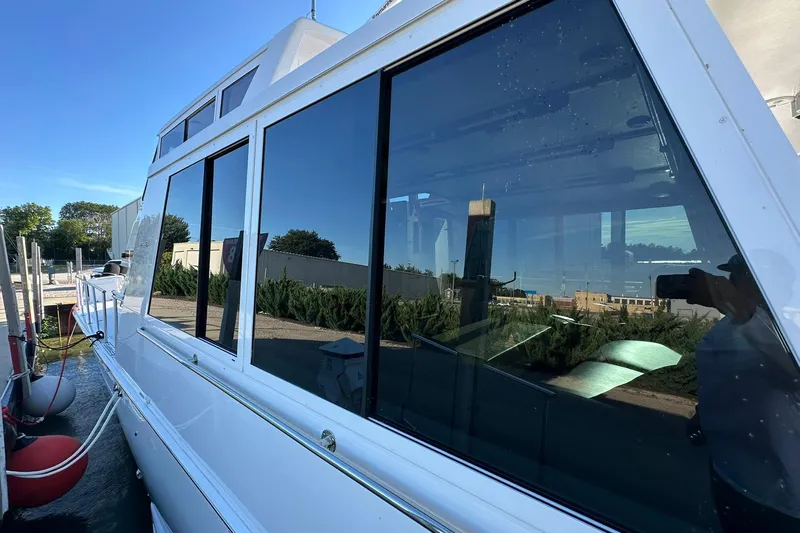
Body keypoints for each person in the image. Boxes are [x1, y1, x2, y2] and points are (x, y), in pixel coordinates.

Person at [687, 255, 800, 532]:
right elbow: (727, 381)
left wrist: (741, 310)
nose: (730, 283)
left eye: (741, 276)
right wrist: (704, 416)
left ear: (772, 286)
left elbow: (791, 371)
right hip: (727, 476)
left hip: (780, 500)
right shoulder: (728, 327)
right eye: (732, 276)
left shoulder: (787, 333)